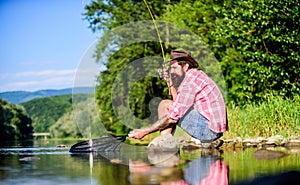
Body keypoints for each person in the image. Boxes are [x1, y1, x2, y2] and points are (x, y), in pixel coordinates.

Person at [128, 50, 228, 147]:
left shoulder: (190, 82)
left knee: (164, 105)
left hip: (209, 132)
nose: (172, 71)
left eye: (174, 68)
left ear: (185, 66)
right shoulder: (195, 76)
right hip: (212, 130)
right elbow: (176, 104)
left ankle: (164, 143)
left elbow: (172, 116)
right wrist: (171, 82)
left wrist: (144, 131)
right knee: (169, 106)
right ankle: (165, 142)